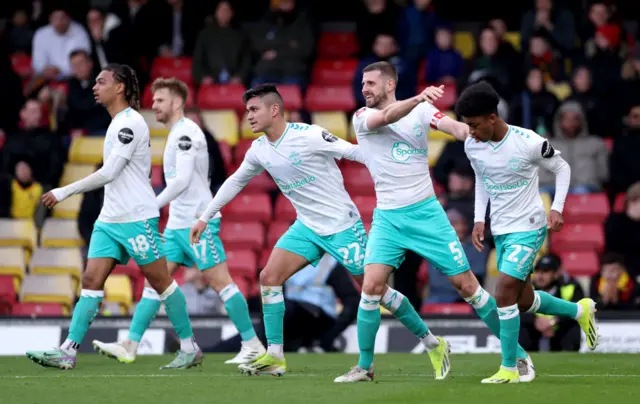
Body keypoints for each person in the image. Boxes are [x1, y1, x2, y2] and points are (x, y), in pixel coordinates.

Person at [190, 84, 442, 377]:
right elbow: (235, 181)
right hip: (307, 227)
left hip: (342, 226)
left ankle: (431, 342)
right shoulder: (258, 149)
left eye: (254, 109)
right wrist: (205, 217)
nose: (249, 116)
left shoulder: (308, 135)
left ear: (274, 110)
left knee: (377, 291)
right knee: (269, 278)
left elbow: (356, 153)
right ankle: (275, 356)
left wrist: (399, 168)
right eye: (247, 111)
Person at [336, 61, 531, 384]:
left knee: (468, 287)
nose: (364, 89)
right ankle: (365, 366)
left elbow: (455, 129)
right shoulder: (362, 117)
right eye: (362, 84)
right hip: (388, 217)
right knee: (370, 288)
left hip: (426, 213)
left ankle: (519, 355)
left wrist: (484, 136)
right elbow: (386, 117)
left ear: (389, 85)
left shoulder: (424, 112)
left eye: (370, 83)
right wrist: (418, 100)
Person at [25, 64, 202, 370]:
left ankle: (189, 347)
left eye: (101, 81)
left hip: (136, 218)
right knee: (91, 279)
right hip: (109, 219)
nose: (94, 86)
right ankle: (68, 350)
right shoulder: (116, 122)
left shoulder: (130, 123)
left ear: (120, 87)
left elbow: (110, 172)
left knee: (162, 283)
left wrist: (64, 191)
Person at [92, 77, 264, 365]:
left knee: (223, 284)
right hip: (176, 226)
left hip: (197, 223)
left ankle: (253, 344)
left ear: (176, 102)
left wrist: (151, 206)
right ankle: (138, 344)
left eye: (159, 100)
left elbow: (183, 180)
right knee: (155, 284)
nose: (153, 105)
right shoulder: (175, 134)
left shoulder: (187, 133)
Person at [458, 81, 598, 383]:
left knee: (503, 290)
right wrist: (478, 218)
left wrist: (557, 207)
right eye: (466, 126)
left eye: (474, 125)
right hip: (502, 229)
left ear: (492, 117)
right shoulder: (473, 145)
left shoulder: (528, 141)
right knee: (522, 300)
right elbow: (482, 177)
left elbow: (562, 168)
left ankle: (511, 366)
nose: (470, 132)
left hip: (530, 227)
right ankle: (578, 311)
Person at [206, 254, 359, 354]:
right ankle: (212, 351)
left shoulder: (329, 264)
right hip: (291, 318)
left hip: (317, 318)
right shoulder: (290, 262)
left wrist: (330, 335)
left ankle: (251, 350)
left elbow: (352, 300)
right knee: (273, 314)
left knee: (277, 314)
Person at [520, 254, 584, 352]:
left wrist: (552, 322)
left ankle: (568, 356)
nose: (540, 276)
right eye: (537, 271)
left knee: (572, 325)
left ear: (557, 273)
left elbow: (578, 308)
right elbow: (515, 308)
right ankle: (522, 358)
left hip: (559, 328)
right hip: (534, 328)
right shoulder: (527, 287)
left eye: (545, 271)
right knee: (522, 324)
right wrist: (535, 320)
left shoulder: (571, 286)